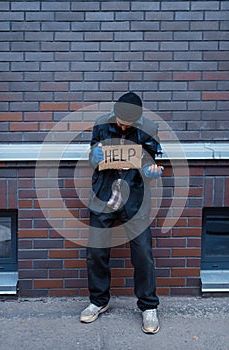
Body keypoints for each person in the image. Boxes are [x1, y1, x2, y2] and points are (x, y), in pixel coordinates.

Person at [80, 92, 163, 334]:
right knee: (95, 252)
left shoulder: (148, 128)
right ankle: (98, 301)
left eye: (127, 123)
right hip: (104, 195)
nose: (122, 125)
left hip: (134, 198)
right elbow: (92, 157)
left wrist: (152, 170)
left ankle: (148, 306)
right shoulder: (101, 124)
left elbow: (150, 161)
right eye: (119, 120)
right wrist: (93, 157)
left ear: (137, 121)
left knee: (143, 254)